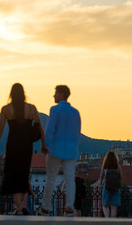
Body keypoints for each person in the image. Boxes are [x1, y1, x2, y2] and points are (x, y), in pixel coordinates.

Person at [0, 83, 46, 215]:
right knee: (24, 173)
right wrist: (43, 144)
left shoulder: (6, 109)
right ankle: (25, 206)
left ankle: (18, 208)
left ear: (11, 94)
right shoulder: (31, 108)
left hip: (13, 144)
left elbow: (0, 129)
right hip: (27, 145)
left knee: (14, 174)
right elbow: (40, 127)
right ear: (23, 93)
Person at [38, 85, 81, 217]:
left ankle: (45, 208)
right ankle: (69, 207)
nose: (54, 96)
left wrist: (45, 144)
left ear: (61, 94)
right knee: (70, 179)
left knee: (51, 178)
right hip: (71, 150)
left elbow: (51, 129)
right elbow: (77, 133)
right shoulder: (75, 112)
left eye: (56, 93)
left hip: (55, 149)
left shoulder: (55, 110)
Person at [94, 151, 122, 218]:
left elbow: (101, 177)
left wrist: (99, 182)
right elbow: (121, 176)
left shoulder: (105, 166)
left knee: (105, 205)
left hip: (107, 187)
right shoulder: (117, 166)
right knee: (114, 207)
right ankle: (112, 222)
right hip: (116, 188)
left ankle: (107, 219)